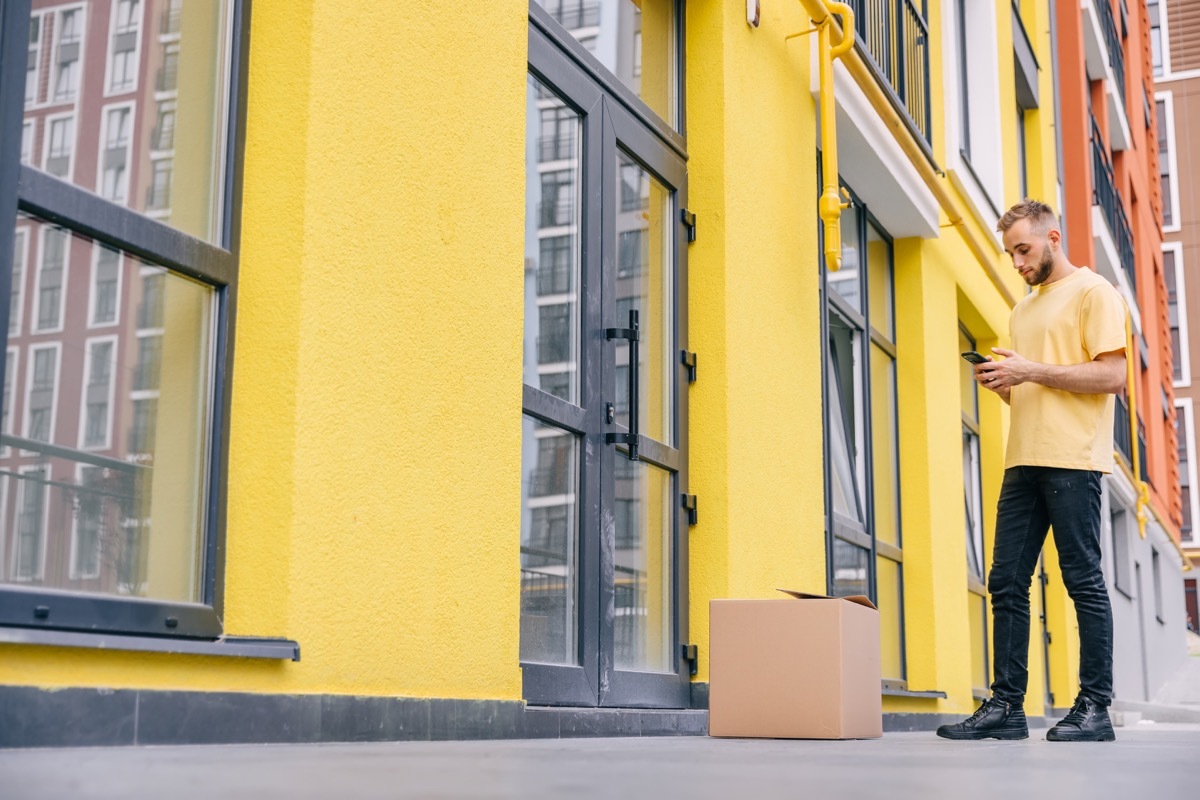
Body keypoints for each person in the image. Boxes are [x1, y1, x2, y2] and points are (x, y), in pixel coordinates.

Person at [937, 200, 1127, 743]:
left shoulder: (1094, 293)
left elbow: (1112, 375)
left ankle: (1094, 709)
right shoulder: (1024, 309)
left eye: (1023, 249)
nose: (1017, 262)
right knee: (1006, 583)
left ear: (1053, 238)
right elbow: (1042, 386)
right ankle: (1006, 706)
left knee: (1082, 583)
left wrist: (1031, 370)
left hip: (1073, 461)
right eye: (1010, 253)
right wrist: (1008, 384)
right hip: (1023, 460)